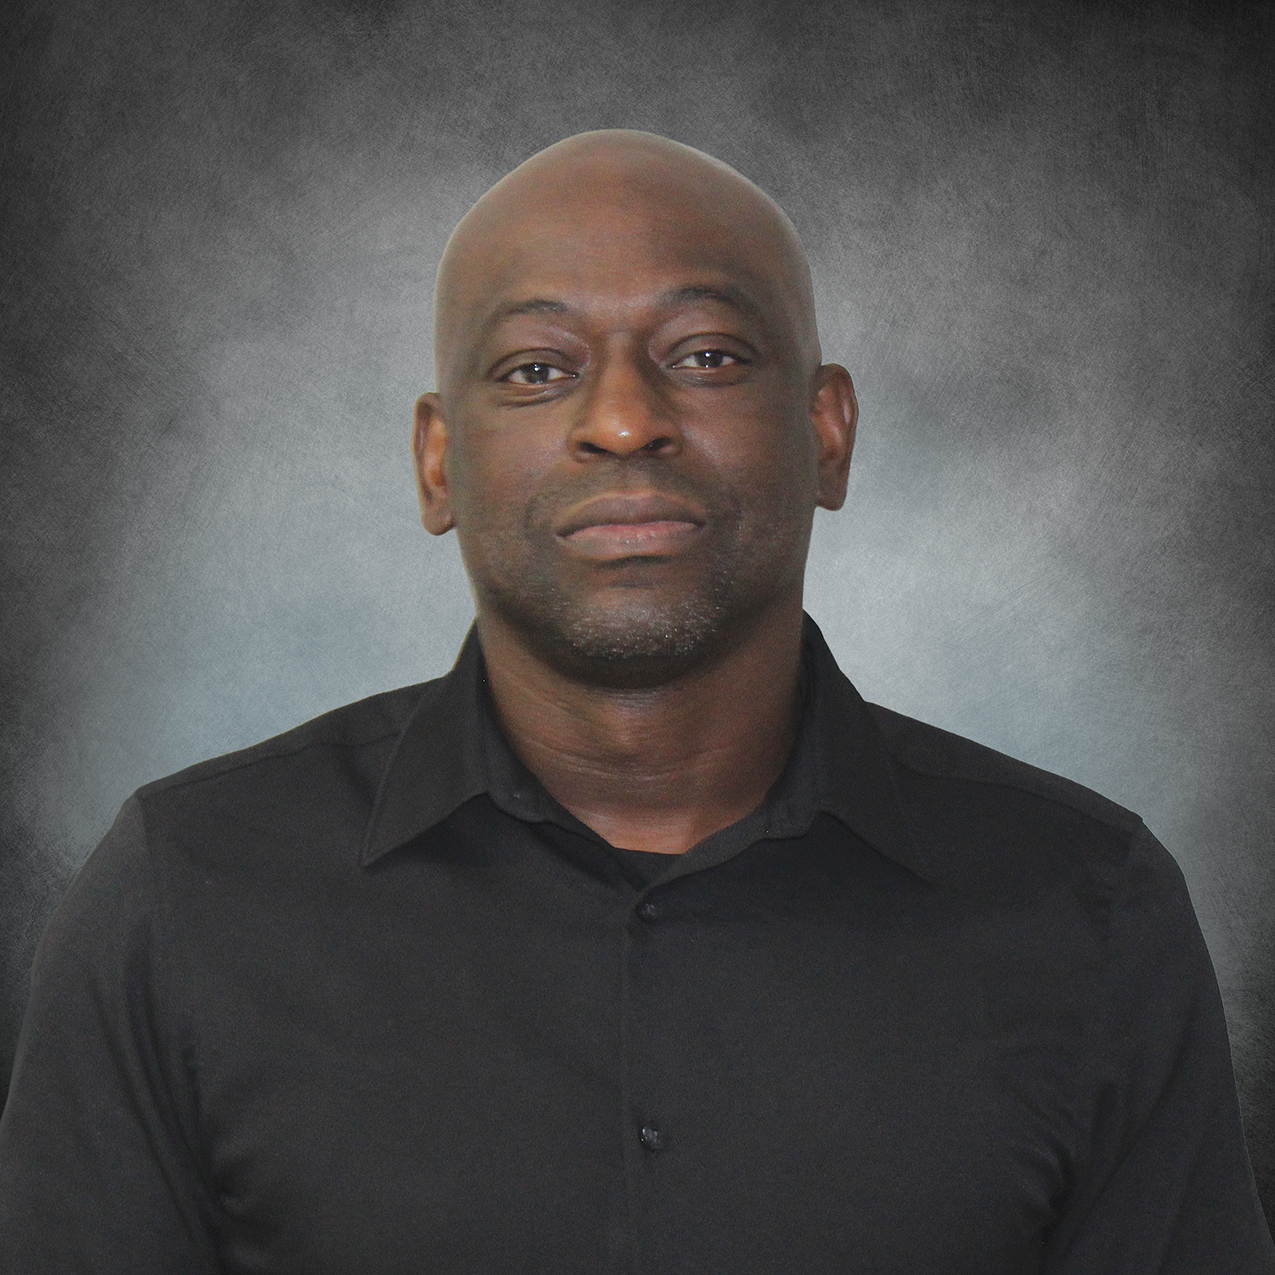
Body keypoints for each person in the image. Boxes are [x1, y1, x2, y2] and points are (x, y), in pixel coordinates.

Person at [1, 130, 1271, 1273]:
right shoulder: (185, 896)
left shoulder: (1090, 907)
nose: (622, 420)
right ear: (437, 461)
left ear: (828, 432)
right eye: (536, 368)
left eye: (706, 355)